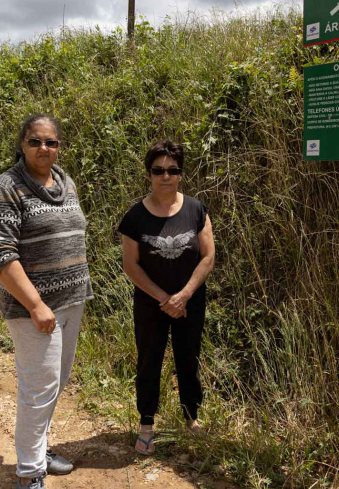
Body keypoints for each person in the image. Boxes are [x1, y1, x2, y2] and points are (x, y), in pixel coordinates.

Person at [0, 114, 92, 489]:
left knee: (55, 383)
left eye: (51, 142)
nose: (44, 148)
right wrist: (35, 304)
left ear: (59, 146)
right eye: (35, 141)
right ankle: (29, 473)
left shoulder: (66, 181)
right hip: (34, 309)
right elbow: (0, 255)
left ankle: (38, 449)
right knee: (38, 388)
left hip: (71, 300)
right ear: (22, 144)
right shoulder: (6, 187)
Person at [117, 140, 215, 455]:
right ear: (149, 174)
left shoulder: (196, 209)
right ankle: (147, 423)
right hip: (150, 302)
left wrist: (184, 295)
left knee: (189, 358)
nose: (166, 176)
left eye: (173, 170)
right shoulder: (135, 216)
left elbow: (208, 256)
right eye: (158, 170)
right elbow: (130, 265)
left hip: (190, 301)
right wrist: (164, 298)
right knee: (149, 360)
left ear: (181, 174)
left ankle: (191, 418)